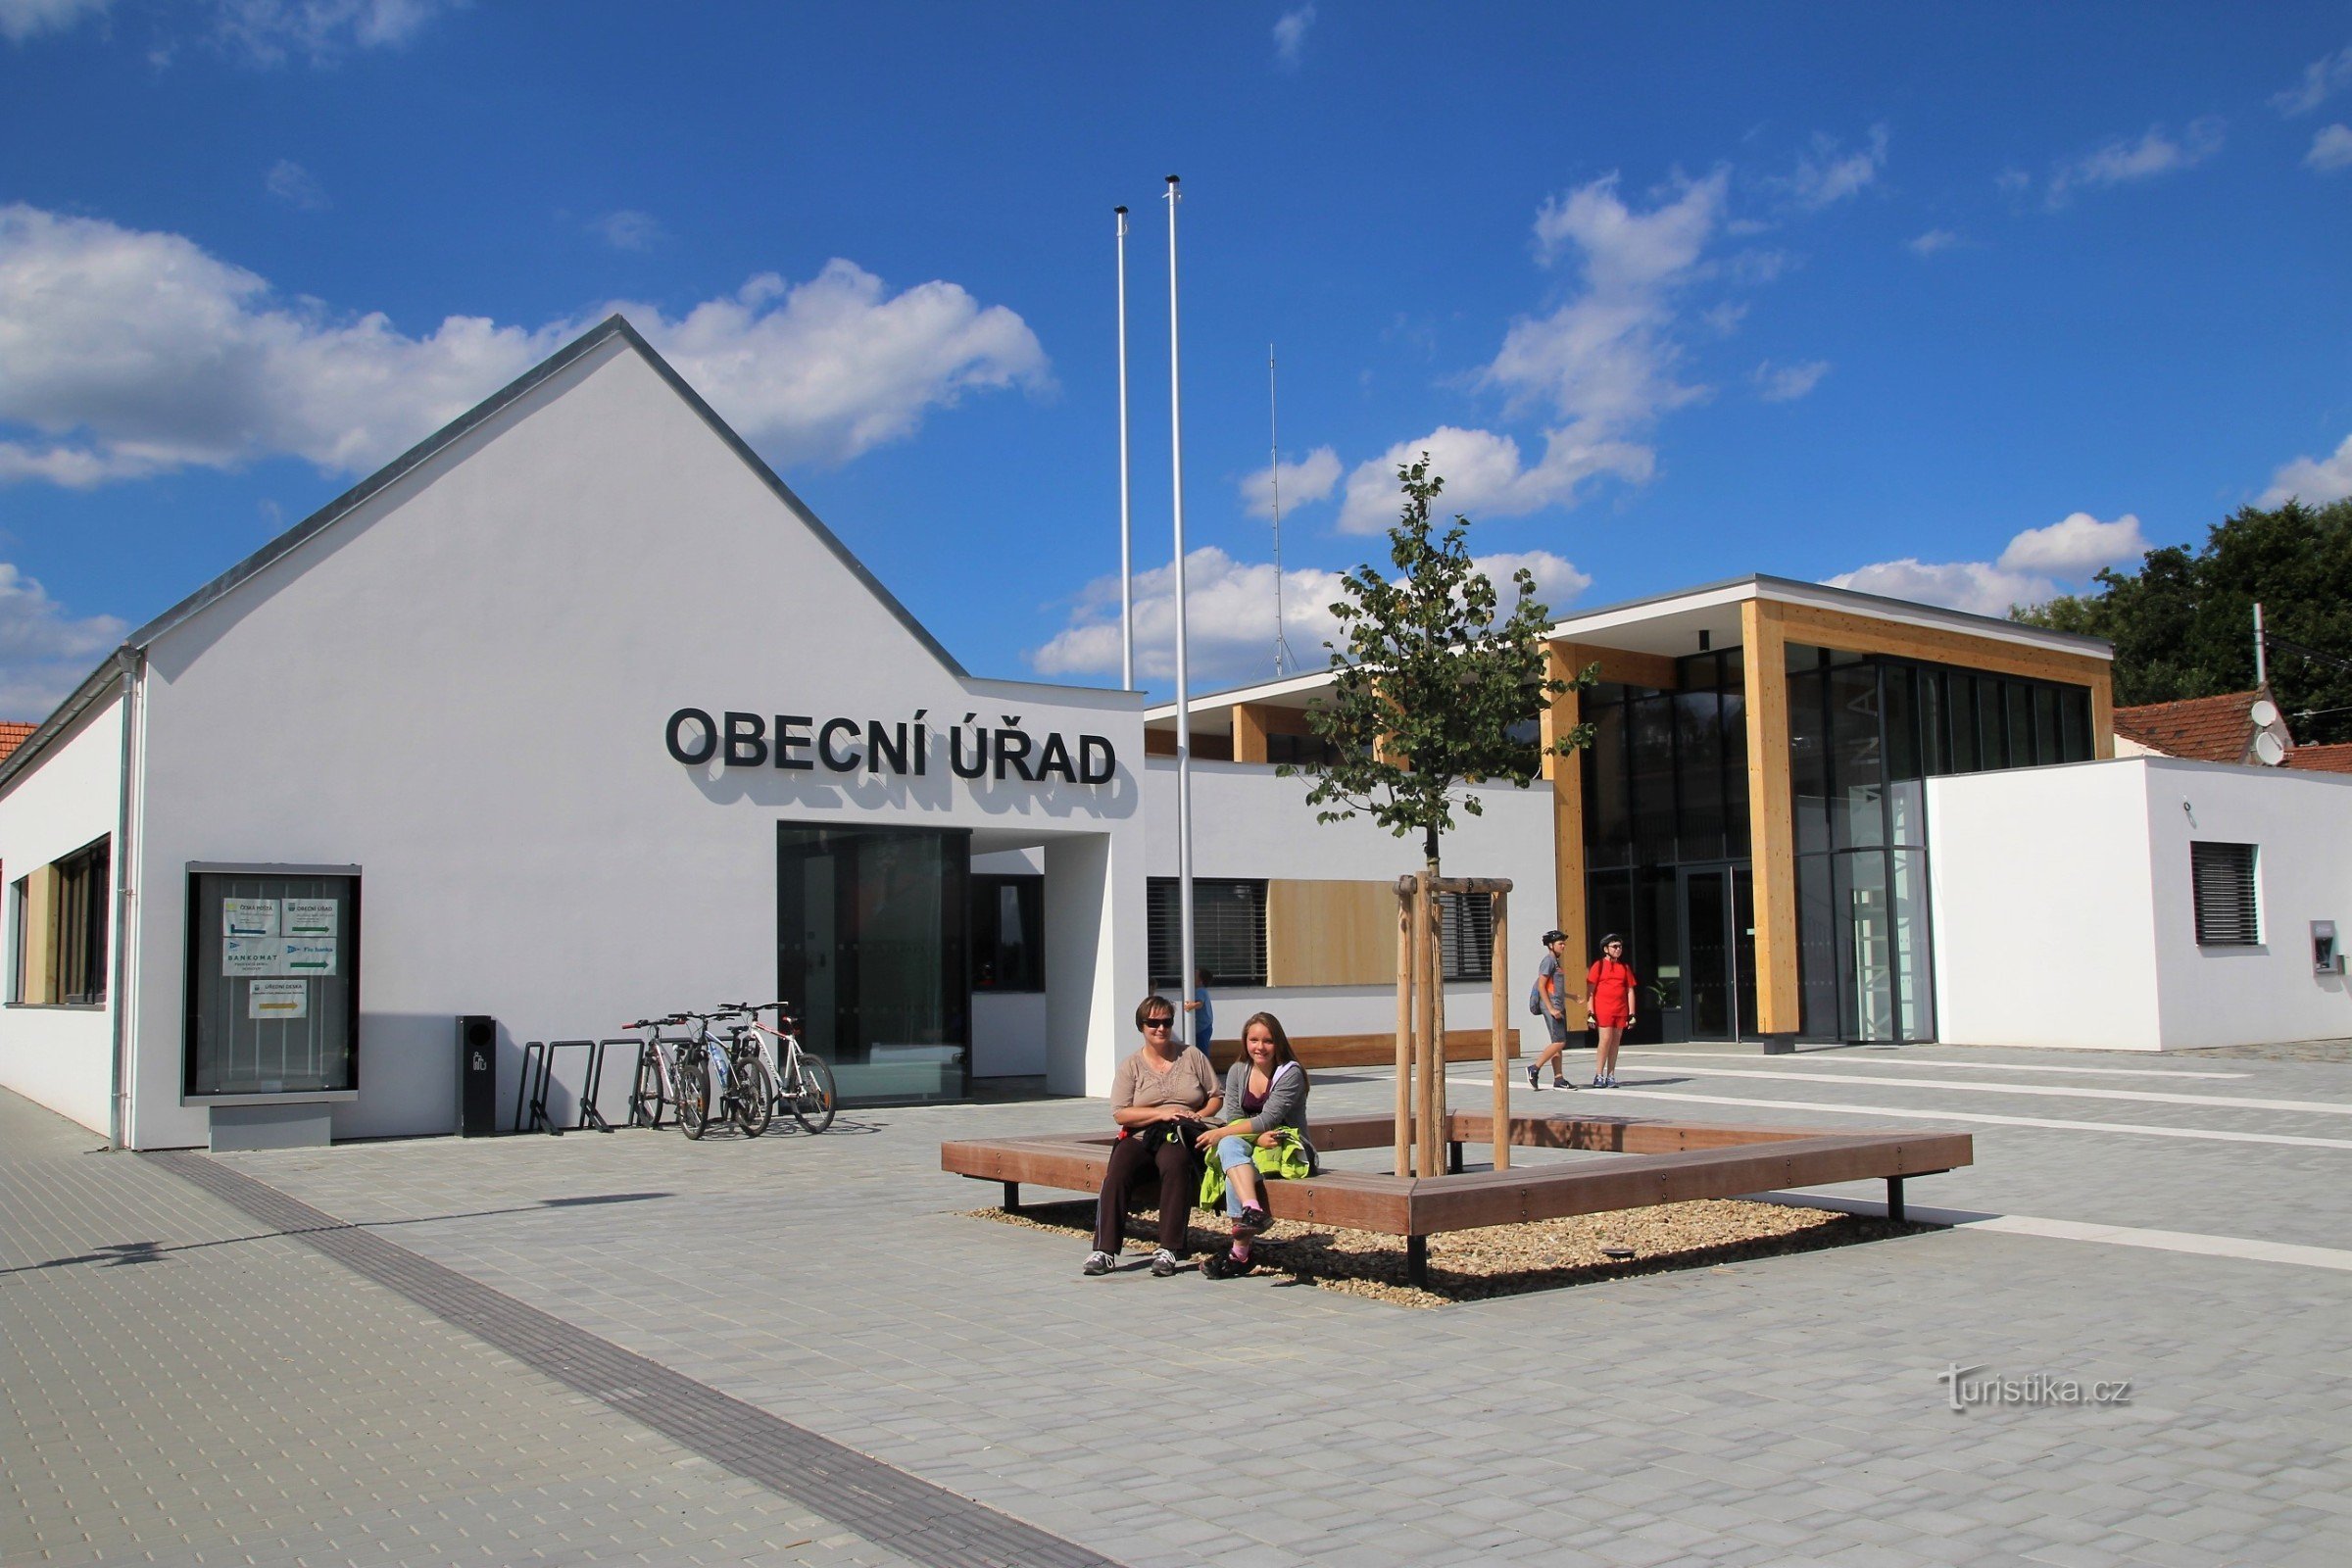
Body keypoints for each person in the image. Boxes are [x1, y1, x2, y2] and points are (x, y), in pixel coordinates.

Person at [1085, 994, 1223, 1277]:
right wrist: (1160, 1113)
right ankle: (1104, 1250)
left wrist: (1199, 1115)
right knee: (1118, 1171)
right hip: (1141, 1134)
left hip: (1179, 1134)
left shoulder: (1192, 1056)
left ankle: (1169, 1249)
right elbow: (1121, 1113)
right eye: (1153, 1023)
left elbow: (1215, 1096)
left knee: (1176, 1165)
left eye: (1166, 1022)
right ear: (1141, 1026)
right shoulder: (1131, 1066)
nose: (1160, 1028)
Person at [1194, 1012, 1316, 1279]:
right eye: (1254, 1040)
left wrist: (1228, 1133)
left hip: (1290, 1149)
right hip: (1255, 1146)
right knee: (1230, 1148)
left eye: (1268, 1041)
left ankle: (1240, 1253)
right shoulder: (1239, 1070)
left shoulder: (1290, 1072)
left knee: (1229, 1149)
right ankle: (1253, 1210)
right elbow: (1236, 1118)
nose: (1259, 1047)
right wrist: (1252, 1137)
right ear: (1245, 1041)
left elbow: (1269, 1119)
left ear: (1278, 1043)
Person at [1525, 928, 1578, 1091]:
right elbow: (1542, 986)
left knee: (1557, 1043)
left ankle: (1559, 1079)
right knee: (1560, 1041)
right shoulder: (1548, 961)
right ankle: (1534, 1068)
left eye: (1564, 943)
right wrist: (1551, 1009)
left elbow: (1554, 988)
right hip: (1552, 1007)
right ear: (1550, 945)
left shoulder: (1555, 961)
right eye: (1560, 943)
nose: (1563, 946)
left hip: (1557, 1005)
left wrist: (1570, 996)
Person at [1588, 932, 1639, 1088]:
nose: (1618, 949)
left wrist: (1632, 1013)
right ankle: (1599, 1075)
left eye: (1620, 946)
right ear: (1606, 949)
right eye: (1614, 946)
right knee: (1605, 1040)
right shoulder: (1599, 965)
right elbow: (1590, 990)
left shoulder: (1624, 967)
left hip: (1620, 1009)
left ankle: (1611, 1075)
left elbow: (1630, 990)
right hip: (1603, 1009)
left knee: (1615, 1041)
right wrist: (1590, 1012)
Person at [1182, 966, 1215, 1056]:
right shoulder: (1201, 991)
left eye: (1195, 974)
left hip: (1203, 1028)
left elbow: (1200, 1004)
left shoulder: (1200, 991)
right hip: (1204, 1027)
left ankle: (1205, 1068)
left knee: (1202, 1051)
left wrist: (1190, 1006)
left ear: (1200, 981)